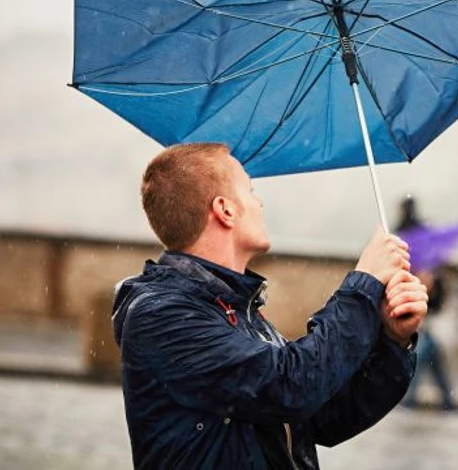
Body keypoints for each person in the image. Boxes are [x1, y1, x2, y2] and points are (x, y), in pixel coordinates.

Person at [111, 143, 428, 470]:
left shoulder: (235, 308)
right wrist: (364, 283)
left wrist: (392, 340)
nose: (259, 203)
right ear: (225, 210)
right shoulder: (162, 314)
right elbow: (292, 385)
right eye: (250, 190)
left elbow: (323, 416)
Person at [396, 196, 455, 411]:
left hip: (424, 319)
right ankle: (447, 402)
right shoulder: (425, 244)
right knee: (429, 359)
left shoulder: (400, 237)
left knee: (420, 358)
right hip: (426, 319)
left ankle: (411, 400)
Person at [401, 271, 455, 411]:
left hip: (435, 336)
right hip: (422, 335)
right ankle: (448, 402)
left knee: (423, 364)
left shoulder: (439, 286)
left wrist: (431, 290)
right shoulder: (412, 283)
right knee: (430, 366)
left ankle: (410, 400)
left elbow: (438, 309)